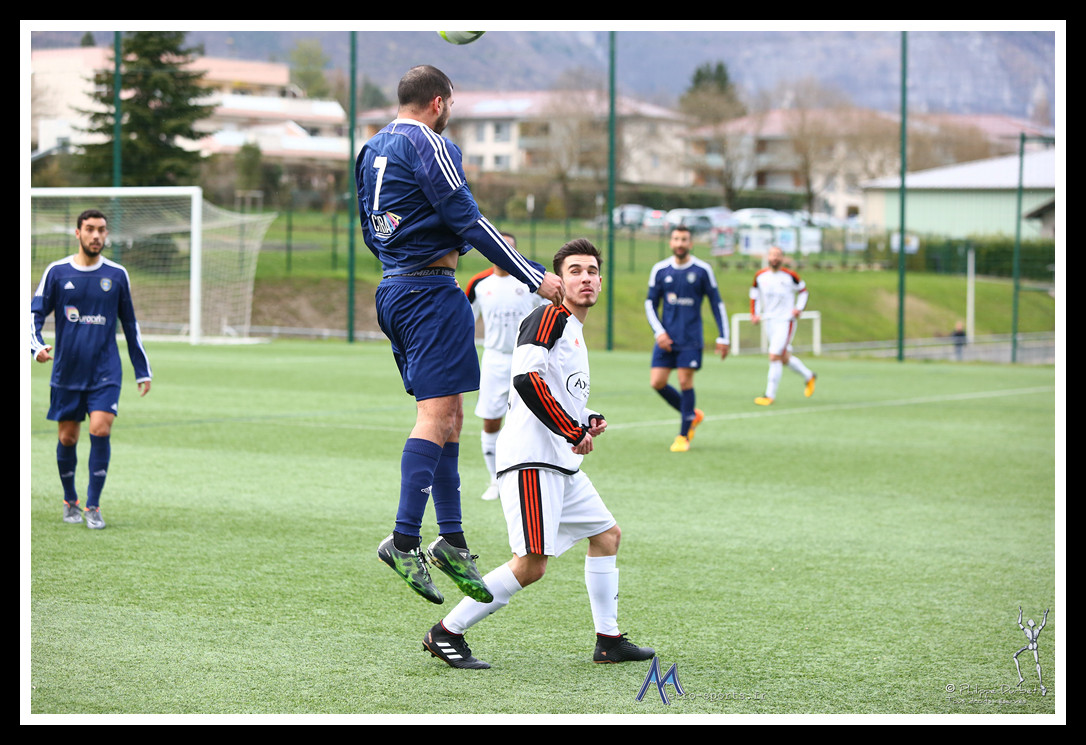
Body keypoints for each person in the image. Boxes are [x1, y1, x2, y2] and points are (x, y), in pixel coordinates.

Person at [356, 65, 564, 606]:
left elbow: (370, 231)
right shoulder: (430, 143)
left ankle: (451, 539)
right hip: (428, 292)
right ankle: (404, 540)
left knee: (449, 416)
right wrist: (532, 274)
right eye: (451, 103)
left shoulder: (370, 148)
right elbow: (469, 219)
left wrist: (405, 259)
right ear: (439, 102)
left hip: (395, 288)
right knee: (435, 417)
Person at [422, 239, 655, 669]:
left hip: (560, 464)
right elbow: (527, 380)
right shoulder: (549, 316)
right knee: (530, 565)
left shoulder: (574, 329)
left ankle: (608, 640)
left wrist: (587, 417)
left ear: (601, 281)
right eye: (575, 271)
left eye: (592, 271)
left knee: (607, 536)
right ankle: (446, 631)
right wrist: (572, 430)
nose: (585, 278)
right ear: (558, 282)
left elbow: (557, 390)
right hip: (532, 461)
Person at [30, 209, 153, 530]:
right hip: (67, 370)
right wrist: (35, 346)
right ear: (78, 233)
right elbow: (33, 315)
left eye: (101, 230)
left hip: (105, 370)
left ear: (106, 234)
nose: (96, 235)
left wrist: (142, 369)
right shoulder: (57, 272)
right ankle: (70, 499)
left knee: (100, 429)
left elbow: (130, 324)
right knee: (67, 437)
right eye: (89, 229)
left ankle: (93, 505)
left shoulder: (117, 274)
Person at [465, 231, 548, 502]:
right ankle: (495, 479)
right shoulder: (479, 284)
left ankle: (531, 477)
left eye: (509, 248)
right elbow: (465, 320)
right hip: (494, 359)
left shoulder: (531, 281)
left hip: (526, 358)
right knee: (491, 420)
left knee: (533, 419)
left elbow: (550, 316)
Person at [645, 226, 730, 452]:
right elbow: (650, 304)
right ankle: (693, 415)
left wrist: (724, 337)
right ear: (671, 243)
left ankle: (683, 436)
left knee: (685, 382)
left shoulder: (702, 270)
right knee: (657, 382)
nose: (680, 243)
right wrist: (659, 332)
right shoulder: (660, 270)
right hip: (666, 338)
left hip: (691, 338)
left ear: (690, 244)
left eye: (684, 239)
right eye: (676, 239)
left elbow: (716, 303)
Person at [749, 245, 816, 405]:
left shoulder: (790, 276)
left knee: (774, 356)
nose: (775, 258)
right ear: (768, 257)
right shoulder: (760, 276)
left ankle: (769, 395)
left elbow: (803, 291)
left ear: (782, 258)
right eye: (772, 255)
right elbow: (754, 294)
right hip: (769, 320)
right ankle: (809, 376)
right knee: (784, 358)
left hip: (786, 321)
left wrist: (798, 308)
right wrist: (755, 313)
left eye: (778, 255)